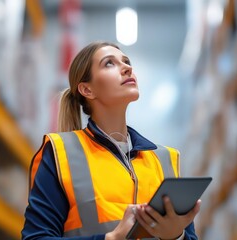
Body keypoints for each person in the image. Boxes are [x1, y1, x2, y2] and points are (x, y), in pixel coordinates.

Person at [22, 41, 201, 239]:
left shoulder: (165, 159)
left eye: (126, 61)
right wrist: (111, 239)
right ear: (87, 90)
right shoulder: (61, 153)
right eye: (109, 63)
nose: (127, 68)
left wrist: (176, 236)